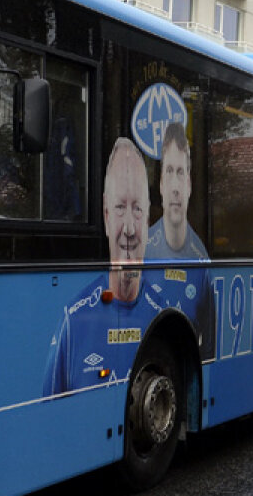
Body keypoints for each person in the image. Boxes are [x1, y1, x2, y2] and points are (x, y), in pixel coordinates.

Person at [44, 137, 168, 396]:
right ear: (106, 214)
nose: (130, 229)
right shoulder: (73, 322)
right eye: (120, 207)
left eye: (137, 209)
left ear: (148, 220)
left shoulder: (163, 314)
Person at [145, 121, 213, 359]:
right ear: (161, 185)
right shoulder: (142, 252)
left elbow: (208, 352)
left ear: (189, 186)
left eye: (181, 172)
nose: (175, 187)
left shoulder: (202, 259)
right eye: (170, 172)